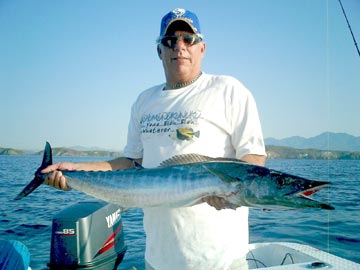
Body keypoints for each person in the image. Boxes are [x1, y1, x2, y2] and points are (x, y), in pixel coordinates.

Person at [43, 8, 267, 270]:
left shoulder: (228, 90)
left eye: (188, 39)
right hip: (159, 259)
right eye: (170, 41)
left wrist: (232, 192)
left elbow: (254, 159)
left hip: (219, 260)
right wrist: (74, 172)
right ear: (159, 51)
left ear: (202, 48)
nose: (179, 47)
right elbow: (128, 163)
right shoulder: (144, 102)